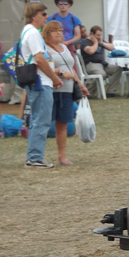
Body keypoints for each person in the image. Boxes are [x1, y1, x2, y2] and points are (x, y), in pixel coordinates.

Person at [20, 2, 62, 168]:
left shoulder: (28, 31)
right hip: (40, 82)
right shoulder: (33, 33)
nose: (46, 17)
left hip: (39, 81)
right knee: (42, 120)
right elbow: (39, 59)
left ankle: (34, 156)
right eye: (43, 14)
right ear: (34, 16)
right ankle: (35, 157)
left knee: (38, 119)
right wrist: (54, 78)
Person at [44, 21, 86, 165]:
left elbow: (71, 67)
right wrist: (60, 72)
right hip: (51, 90)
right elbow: (44, 66)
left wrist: (80, 84)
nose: (58, 33)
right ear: (47, 33)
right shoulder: (45, 49)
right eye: (54, 30)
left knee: (62, 124)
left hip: (67, 90)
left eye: (60, 30)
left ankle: (62, 156)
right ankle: (38, 154)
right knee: (45, 123)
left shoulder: (64, 48)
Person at [79, 25, 124, 98]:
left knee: (118, 69)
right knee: (102, 74)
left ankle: (111, 91)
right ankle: (88, 92)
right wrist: (96, 43)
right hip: (91, 64)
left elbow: (112, 47)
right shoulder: (85, 42)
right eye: (98, 35)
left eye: (100, 35)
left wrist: (102, 43)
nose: (99, 37)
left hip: (102, 64)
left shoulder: (100, 40)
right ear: (92, 34)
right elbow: (91, 51)